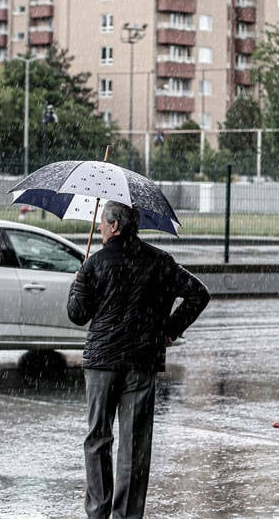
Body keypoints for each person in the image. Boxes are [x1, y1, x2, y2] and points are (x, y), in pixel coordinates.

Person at [68, 201, 209, 519]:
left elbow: (77, 314)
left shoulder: (95, 263)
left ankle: (98, 511)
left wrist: (78, 281)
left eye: (103, 223)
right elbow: (199, 294)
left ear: (115, 226)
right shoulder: (160, 261)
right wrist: (169, 331)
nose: (101, 228)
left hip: (102, 363)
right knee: (135, 444)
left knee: (97, 438)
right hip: (142, 361)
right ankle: (127, 515)